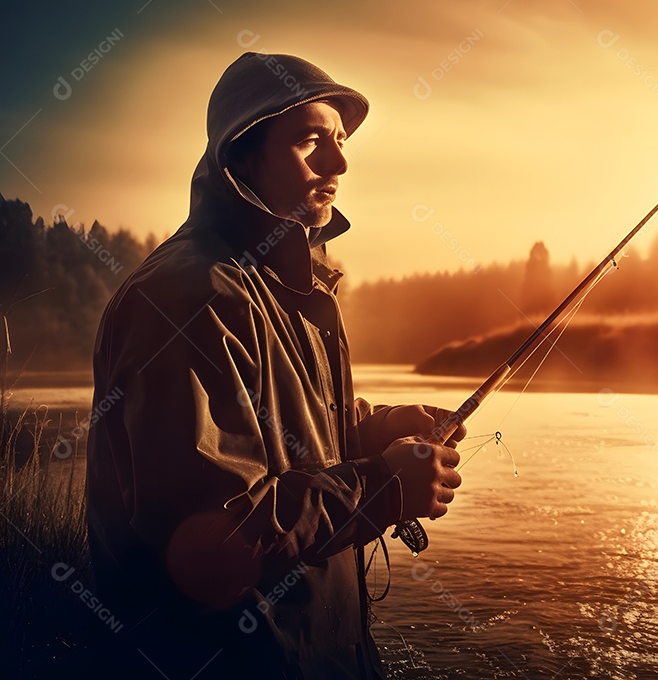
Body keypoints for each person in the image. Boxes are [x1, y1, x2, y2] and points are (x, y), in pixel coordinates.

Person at [85, 52, 464, 679]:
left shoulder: (279, 283)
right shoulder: (191, 295)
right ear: (242, 156)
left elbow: (284, 431)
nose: (339, 163)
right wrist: (380, 487)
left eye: (340, 142)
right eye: (311, 141)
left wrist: (376, 429)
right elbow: (212, 537)